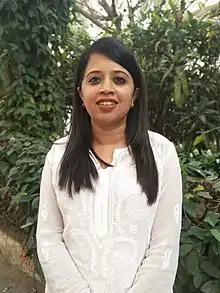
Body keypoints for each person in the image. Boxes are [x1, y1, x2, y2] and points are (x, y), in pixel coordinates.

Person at [36, 37, 182, 293]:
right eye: (94, 79)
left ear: (135, 94)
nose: (106, 88)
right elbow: (48, 237)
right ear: (81, 94)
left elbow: (164, 246)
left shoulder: (162, 154)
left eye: (119, 79)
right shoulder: (58, 156)